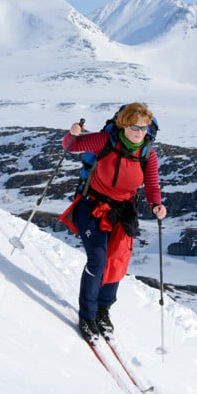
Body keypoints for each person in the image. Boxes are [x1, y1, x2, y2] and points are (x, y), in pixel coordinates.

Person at [61, 102, 167, 341]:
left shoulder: (148, 153)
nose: (139, 132)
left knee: (117, 261)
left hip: (123, 212)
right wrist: (72, 133)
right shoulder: (105, 141)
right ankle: (87, 315)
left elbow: (151, 185)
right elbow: (72, 146)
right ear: (123, 124)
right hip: (92, 206)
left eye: (144, 128)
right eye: (134, 127)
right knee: (98, 260)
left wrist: (157, 205)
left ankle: (102, 310)